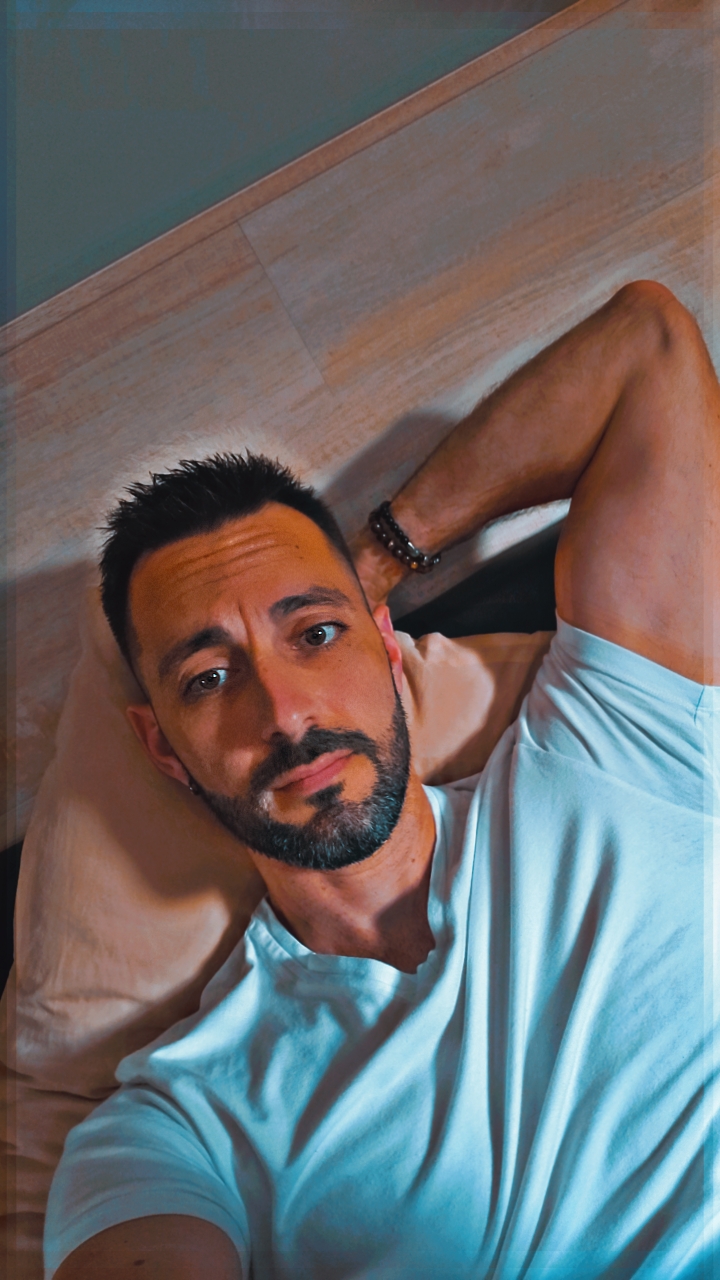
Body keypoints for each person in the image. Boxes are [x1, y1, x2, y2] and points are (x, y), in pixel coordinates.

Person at [45, 282, 719, 1278]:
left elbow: (646, 347)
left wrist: (376, 559)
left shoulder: (616, 744)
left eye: (317, 635)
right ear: (163, 749)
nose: (285, 711)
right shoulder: (182, 1126)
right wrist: (330, 610)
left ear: (388, 646)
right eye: (211, 678)